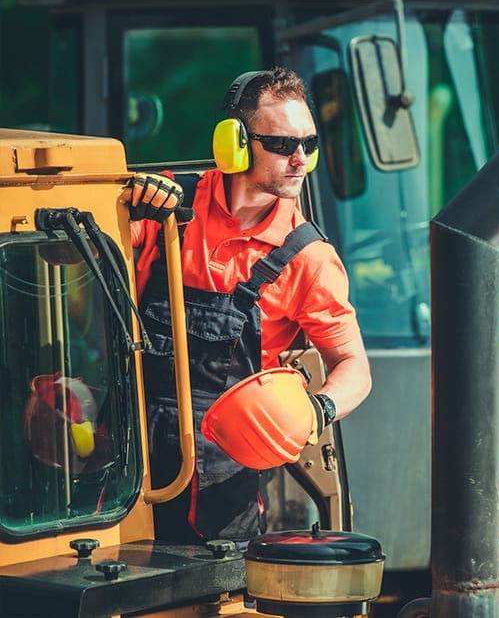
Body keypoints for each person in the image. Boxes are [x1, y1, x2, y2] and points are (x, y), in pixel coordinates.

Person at [122, 67, 371, 544]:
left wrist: (317, 410)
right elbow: (76, 259)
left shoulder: (309, 258)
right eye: (282, 145)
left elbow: (354, 366)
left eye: (309, 144)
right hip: (130, 464)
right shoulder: (166, 204)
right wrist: (125, 204)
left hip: (224, 481)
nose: (300, 159)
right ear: (234, 144)